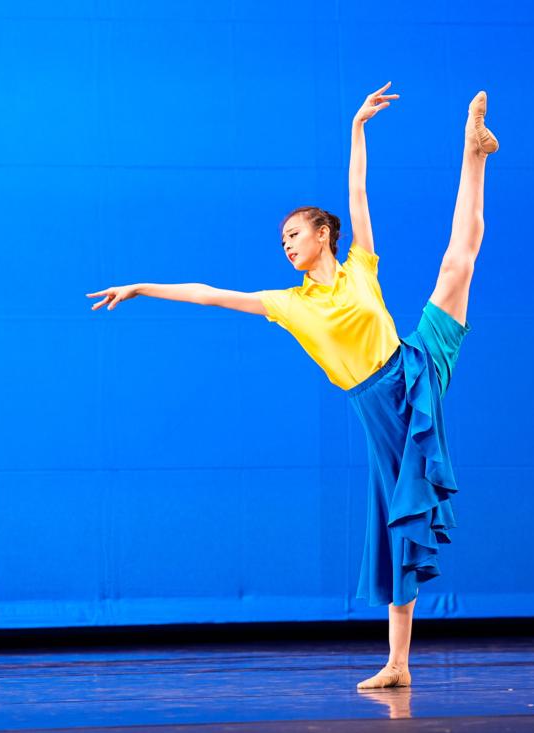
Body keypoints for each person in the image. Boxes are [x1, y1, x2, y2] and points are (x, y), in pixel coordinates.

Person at [87, 81, 496, 690]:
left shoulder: (360, 263)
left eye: (294, 235)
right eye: (282, 242)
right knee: (396, 520)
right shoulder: (286, 303)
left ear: (323, 235)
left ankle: (475, 152)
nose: (287, 245)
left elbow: (357, 190)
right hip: (381, 408)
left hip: (413, 364)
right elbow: (210, 293)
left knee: (456, 263)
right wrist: (142, 287)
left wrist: (357, 127)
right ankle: (399, 664)